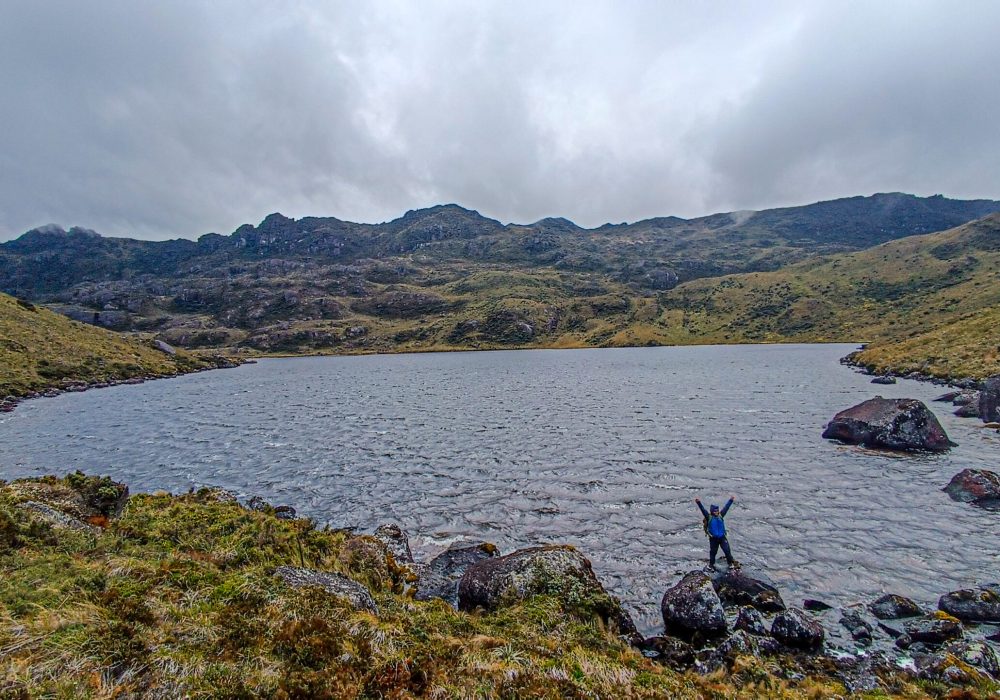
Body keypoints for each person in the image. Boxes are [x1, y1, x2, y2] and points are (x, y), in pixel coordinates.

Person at [695, 496, 738, 571]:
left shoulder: (721, 515)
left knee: (727, 550)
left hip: (722, 538)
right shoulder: (709, 517)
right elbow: (703, 510)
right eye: (715, 511)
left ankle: (730, 563)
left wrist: (731, 500)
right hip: (713, 539)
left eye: (717, 511)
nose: (716, 512)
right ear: (712, 511)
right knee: (713, 552)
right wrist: (698, 502)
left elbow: (726, 507)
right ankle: (711, 565)